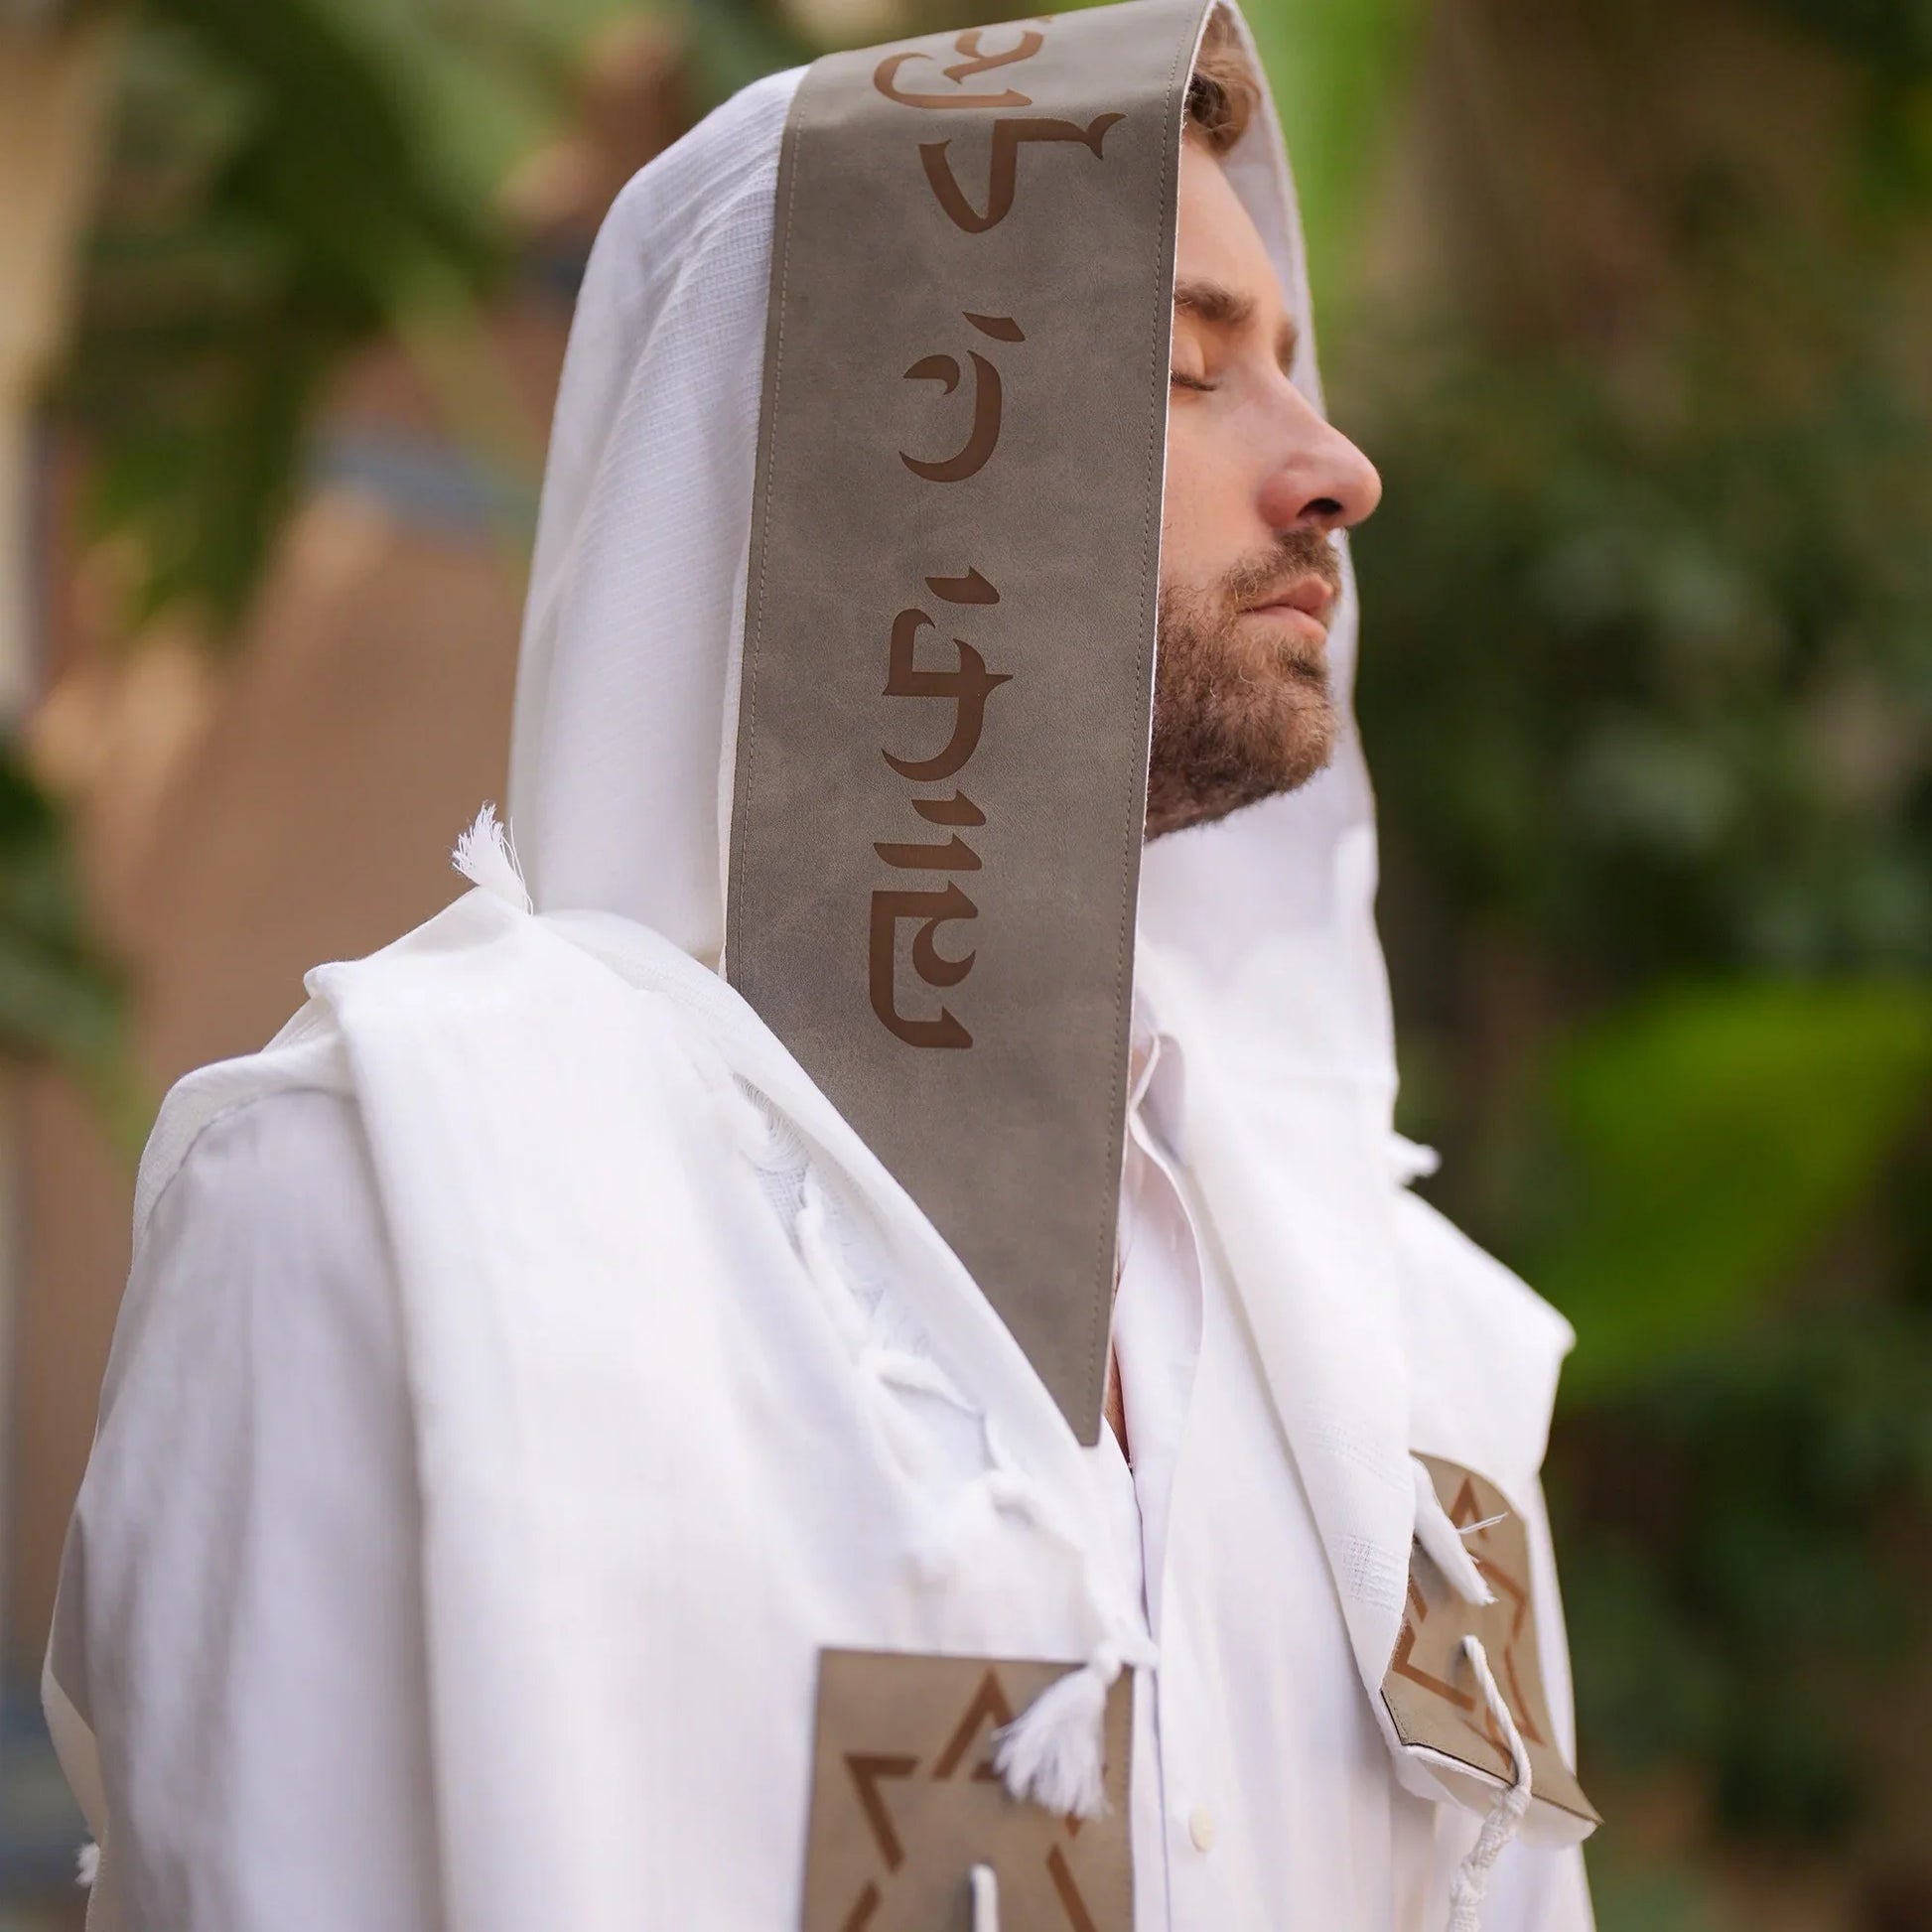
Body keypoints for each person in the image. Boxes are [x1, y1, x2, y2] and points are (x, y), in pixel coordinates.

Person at [44, 4, 1598, 1927]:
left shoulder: (1398, 1332)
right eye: (1187, 371)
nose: (1336, 465)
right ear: (882, 459)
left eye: (1291, 362)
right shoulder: (404, 1206)